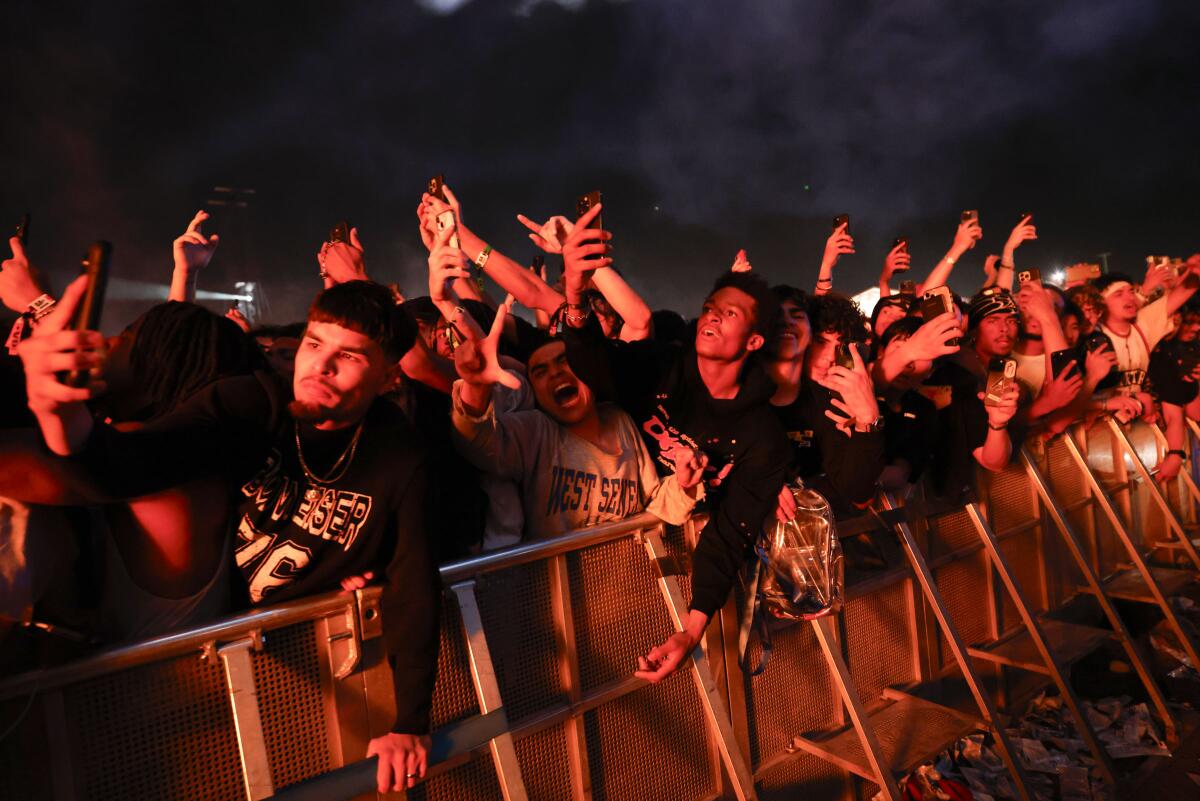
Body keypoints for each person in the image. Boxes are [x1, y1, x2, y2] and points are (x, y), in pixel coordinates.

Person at [18, 278, 440, 793]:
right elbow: (136, 464)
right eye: (313, 344)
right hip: (213, 660)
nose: (319, 367)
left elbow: (414, 584)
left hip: (298, 676)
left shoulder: (399, 456)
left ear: (388, 377)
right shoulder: (254, 401)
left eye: (349, 356)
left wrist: (409, 724)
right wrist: (59, 413)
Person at [558, 254, 790, 683]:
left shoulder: (762, 435)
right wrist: (575, 296)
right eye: (709, 308)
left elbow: (729, 533)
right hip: (603, 561)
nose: (713, 318)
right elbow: (595, 363)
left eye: (730, 314)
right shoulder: (660, 366)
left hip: (674, 571)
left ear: (754, 341)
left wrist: (689, 631)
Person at [450, 317, 705, 539]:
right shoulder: (537, 432)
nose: (555, 374)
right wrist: (476, 386)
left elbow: (655, 500)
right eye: (540, 372)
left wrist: (684, 484)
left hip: (632, 589)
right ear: (535, 391)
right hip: (561, 593)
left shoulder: (619, 420)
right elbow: (477, 440)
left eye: (565, 361)